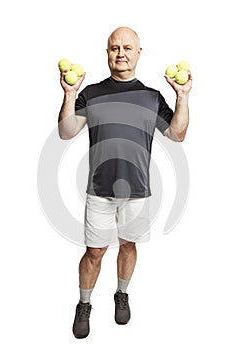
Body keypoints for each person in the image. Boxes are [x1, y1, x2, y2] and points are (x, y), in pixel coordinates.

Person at [58, 26, 192, 339]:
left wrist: (182, 97)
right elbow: (66, 131)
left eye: (127, 48)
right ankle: (85, 302)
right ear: (107, 53)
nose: (120, 53)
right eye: (114, 48)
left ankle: (121, 293)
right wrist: (69, 94)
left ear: (138, 53)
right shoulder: (90, 93)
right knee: (94, 252)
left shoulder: (151, 97)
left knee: (129, 245)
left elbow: (177, 134)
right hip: (99, 192)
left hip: (137, 191)